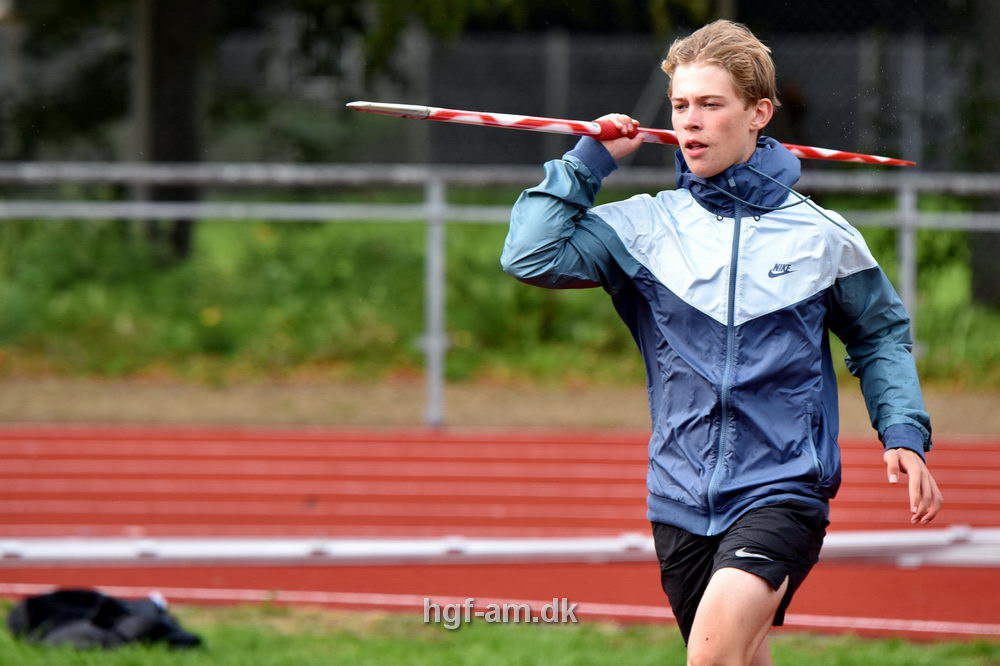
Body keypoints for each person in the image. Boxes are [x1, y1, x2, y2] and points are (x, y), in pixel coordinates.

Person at [500, 19, 943, 666]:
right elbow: (531, 255)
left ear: (758, 113)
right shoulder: (647, 227)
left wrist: (902, 430)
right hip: (678, 495)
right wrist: (586, 160)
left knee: (709, 657)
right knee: (738, 657)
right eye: (681, 106)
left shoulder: (822, 235)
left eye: (711, 105)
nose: (691, 122)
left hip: (783, 488)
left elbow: (879, 335)